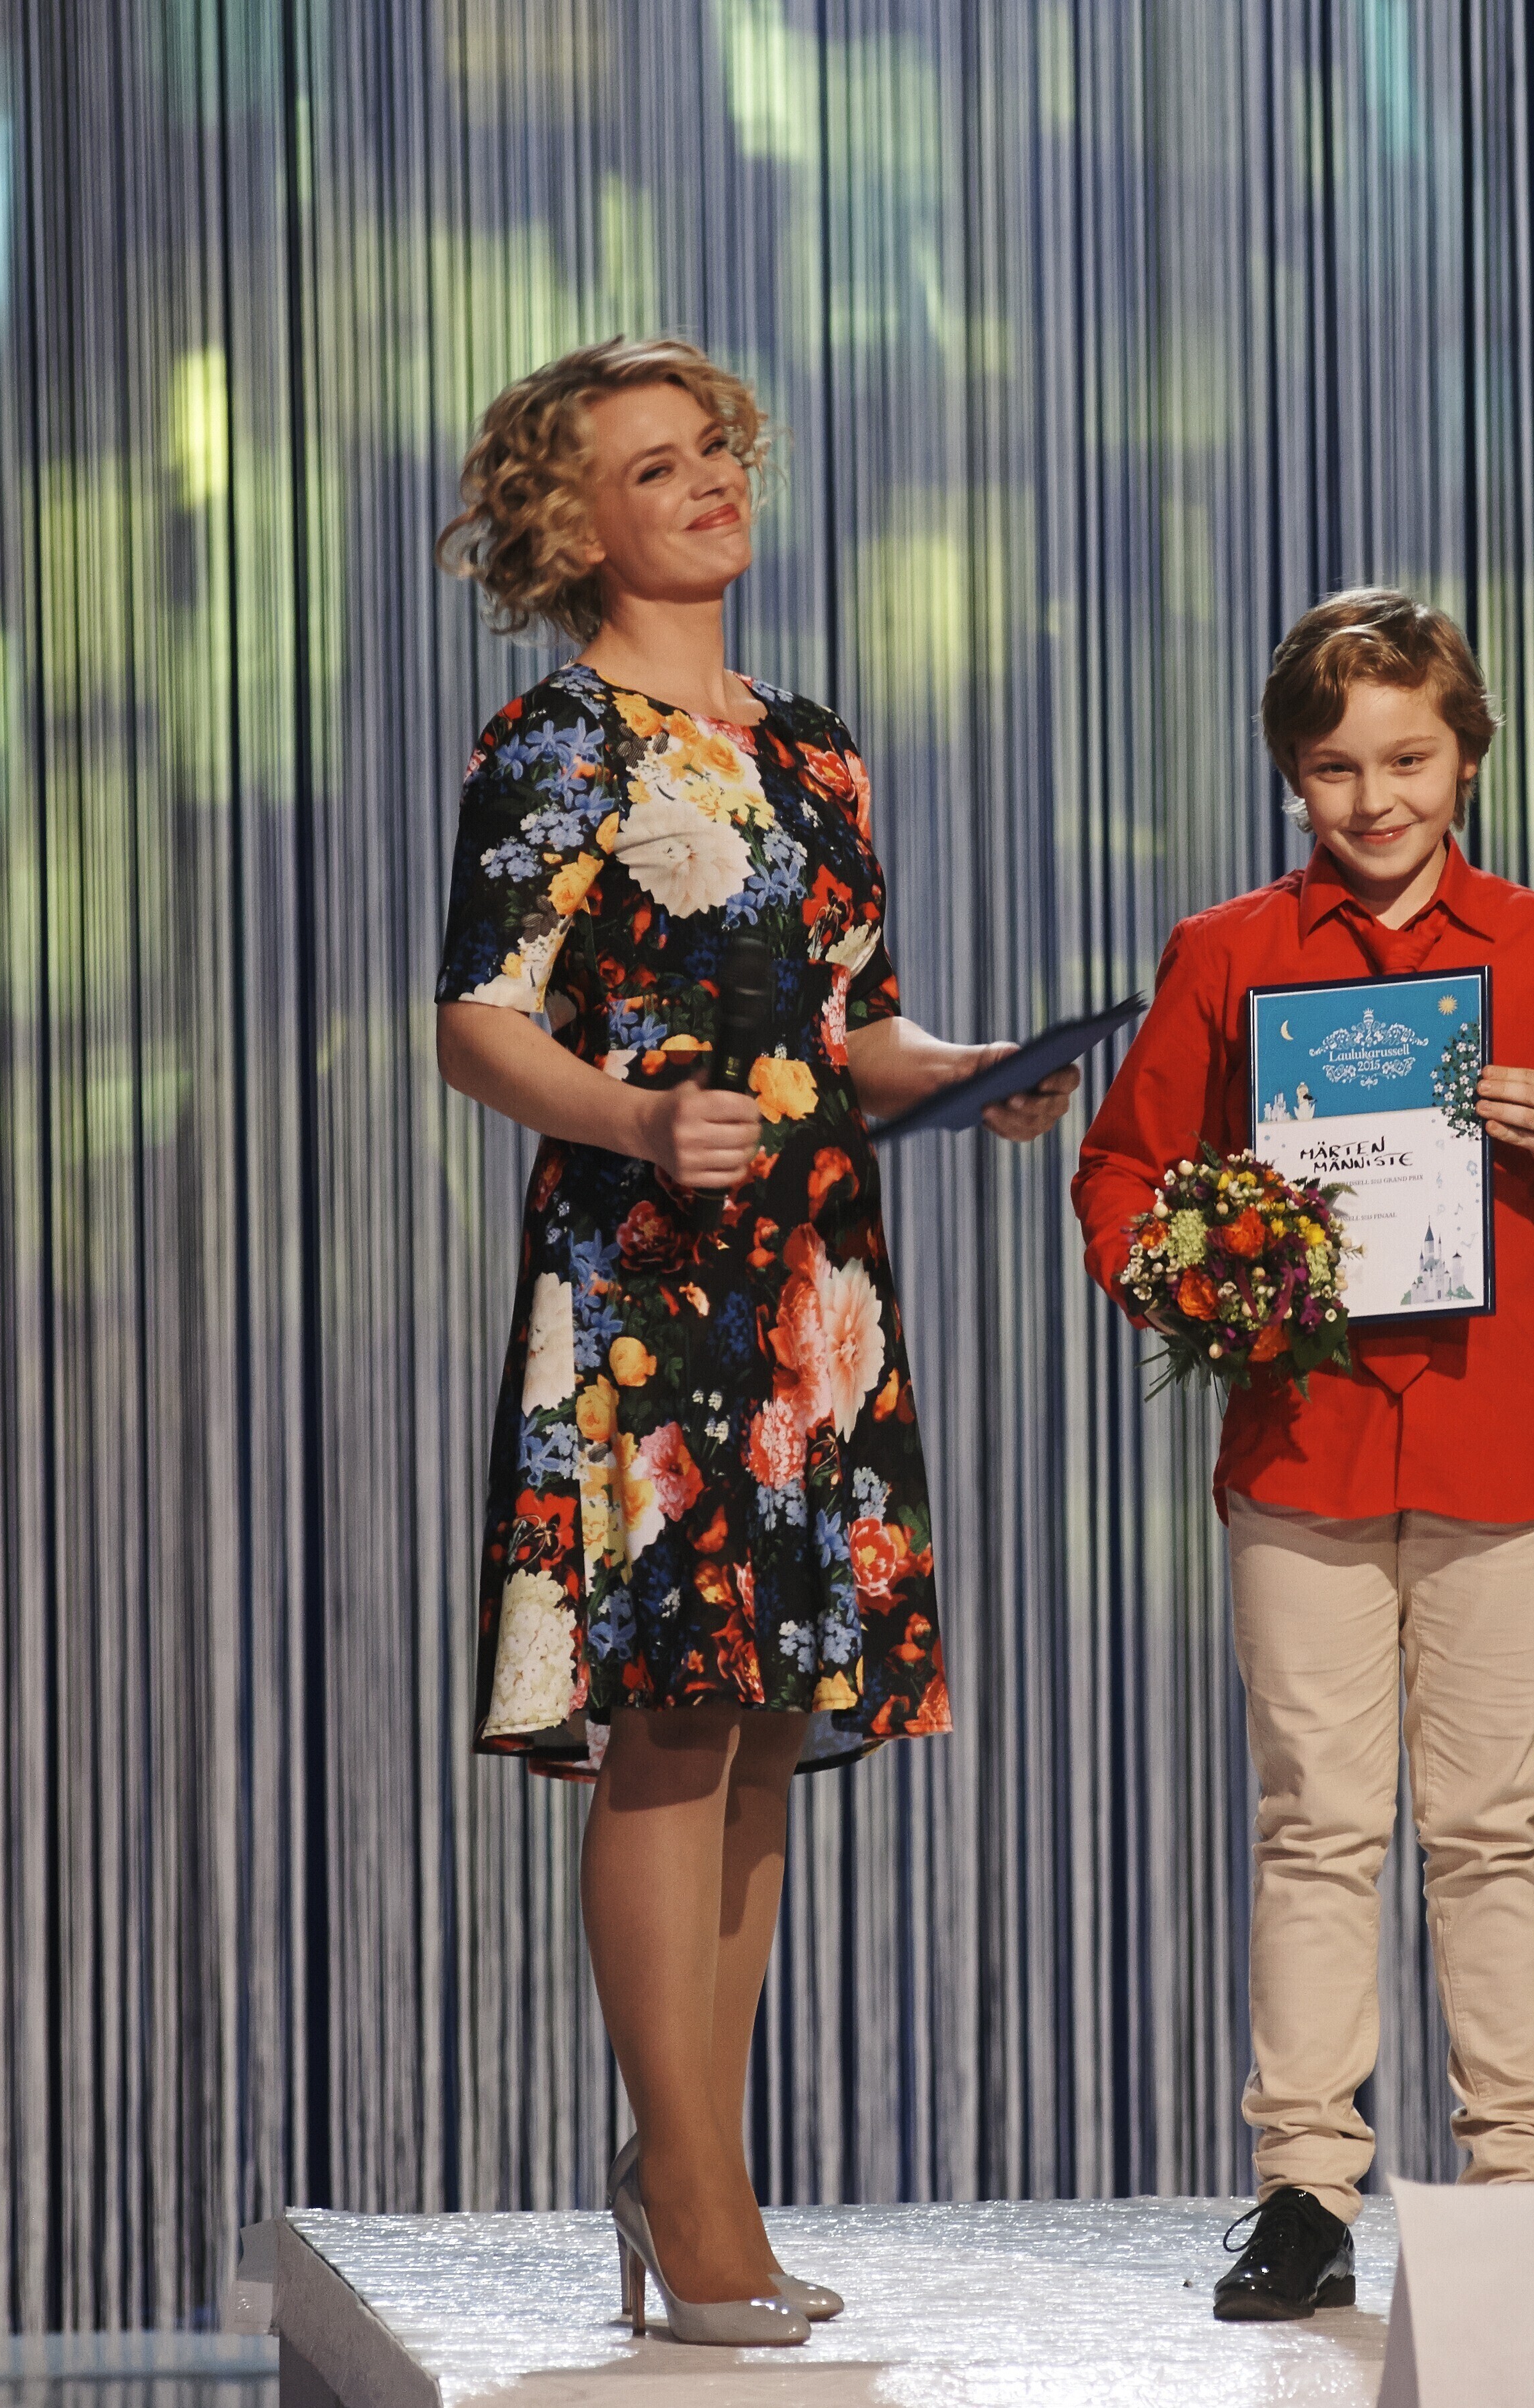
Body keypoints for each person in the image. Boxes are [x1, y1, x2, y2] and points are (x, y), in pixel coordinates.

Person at [430, 337, 1077, 2346]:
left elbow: (849, 1021)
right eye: (655, 465)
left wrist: (960, 1070)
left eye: (715, 448)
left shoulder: (811, 746)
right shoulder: (555, 742)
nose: (709, 480)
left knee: (771, 1714)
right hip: (646, 1284)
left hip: (812, 1288)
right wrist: (633, 1118)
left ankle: (700, 2165)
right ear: (572, 524)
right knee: (673, 1711)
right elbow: (479, 1022)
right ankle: (688, 2185)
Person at [1071, 589, 1534, 2321]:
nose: (1375, 798)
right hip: (1303, 1443)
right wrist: (1182, 1266)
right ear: (1292, 774)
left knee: (1492, 1824)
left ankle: (1518, 2186)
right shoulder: (1226, 953)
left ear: (1467, 757)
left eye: (1408, 760)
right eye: (1336, 767)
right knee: (1317, 1822)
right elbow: (1120, 1172)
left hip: (1506, 1440)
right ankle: (1303, 2189)